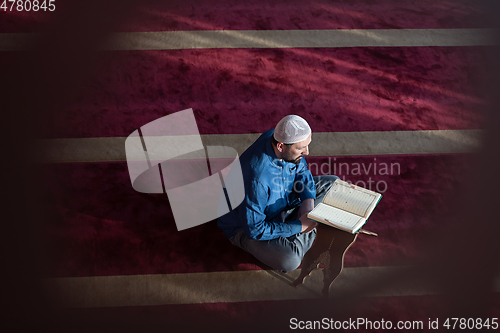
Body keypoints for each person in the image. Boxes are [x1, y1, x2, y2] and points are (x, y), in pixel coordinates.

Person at [217, 115, 339, 272]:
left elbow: (301, 170)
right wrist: (300, 226)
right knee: (290, 260)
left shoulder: (274, 137)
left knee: (333, 184)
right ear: (281, 146)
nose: (307, 152)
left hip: (281, 202)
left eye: (307, 145)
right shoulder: (257, 179)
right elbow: (256, 230)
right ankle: (310, 226)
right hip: (247, 227)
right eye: (301, 148)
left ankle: (305, 226)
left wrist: (308, 202)